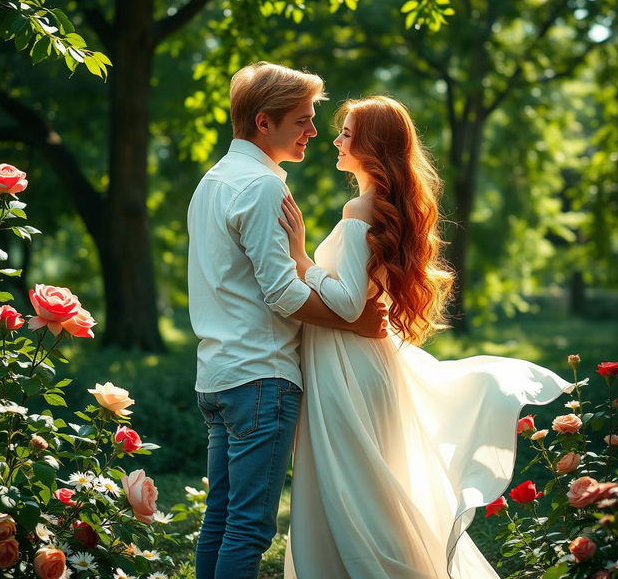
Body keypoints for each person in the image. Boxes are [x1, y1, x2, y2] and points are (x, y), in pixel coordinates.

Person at [278, 95, 575, 579]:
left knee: (350, 492)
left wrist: (300, 256)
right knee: (364, 490)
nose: (335, 140)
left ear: (372, 146)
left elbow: (350, 302)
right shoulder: (382, 206)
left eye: (347, 134)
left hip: (347, 370)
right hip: (356, 363)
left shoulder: (360, 207)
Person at [186, 63, 387, 579]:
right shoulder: (261, 187)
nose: (314, 132)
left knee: (221, 519)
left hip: (218, 374)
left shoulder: (214, 181)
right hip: (261, 376)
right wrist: (354, 322)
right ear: (263, 122)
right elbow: (281, 293)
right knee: (249, 528)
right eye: (302, 120)